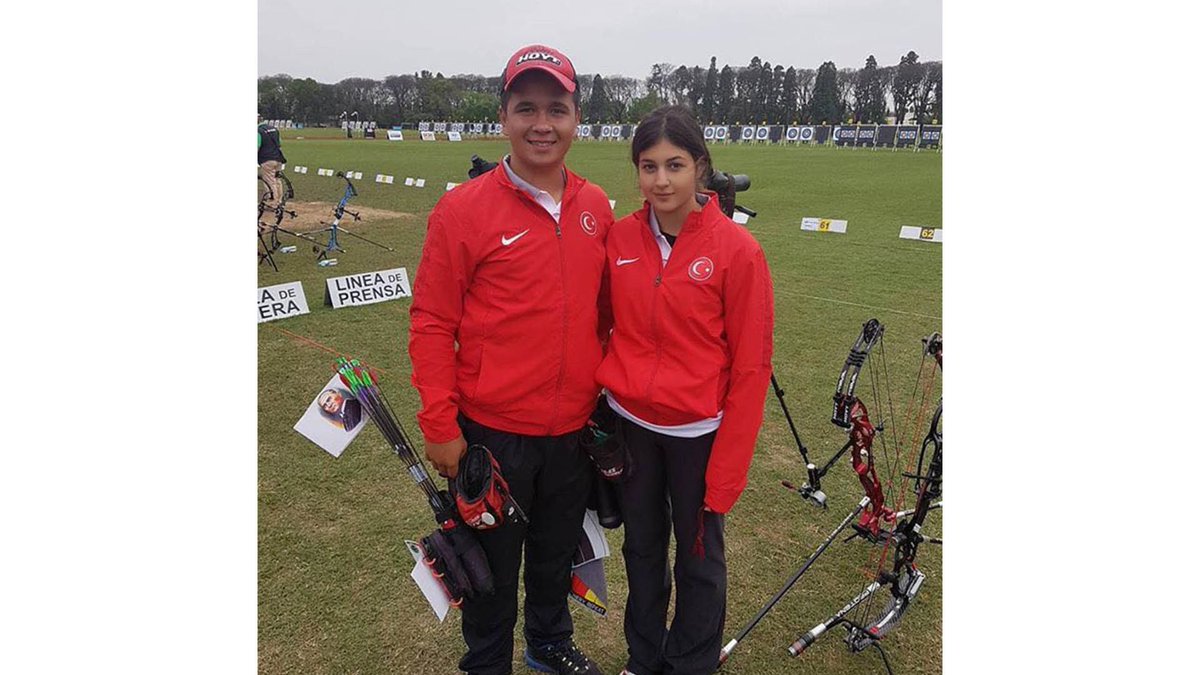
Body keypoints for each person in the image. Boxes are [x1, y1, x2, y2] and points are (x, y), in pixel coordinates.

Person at [408, 44, 614, 675]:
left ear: (577, 117)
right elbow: (432, 321)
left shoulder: (597, 207)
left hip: (573, 432)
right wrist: (440, 425)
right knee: (491, 575)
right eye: (526, 107)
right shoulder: (462, 209)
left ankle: (549, 647)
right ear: (504, 116)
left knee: (555, 558)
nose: (541, 123)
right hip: (492, 436)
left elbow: (611, 316)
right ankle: (488, 664)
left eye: (557, 107)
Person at [595, 105, 775, 675]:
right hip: (632, 429)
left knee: (699, 560)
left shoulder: (737, 250)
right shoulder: (620, 237)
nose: (661, 181)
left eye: (675, 165)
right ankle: (643, 659)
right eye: (648, 167)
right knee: (642, 552)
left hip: (699, 435)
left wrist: (726, 473)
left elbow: (751, 369)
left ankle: (691, 664)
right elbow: (601, 325)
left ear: (700, 167)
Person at [258, 115, 287, 214]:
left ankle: (274, 203)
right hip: (278, 158)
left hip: (266, 159)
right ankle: (280, 201)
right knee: (277, 180)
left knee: (270, 181)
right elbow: (279, 143)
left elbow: (257, 146)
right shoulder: (274, 129)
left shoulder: (258, 131)